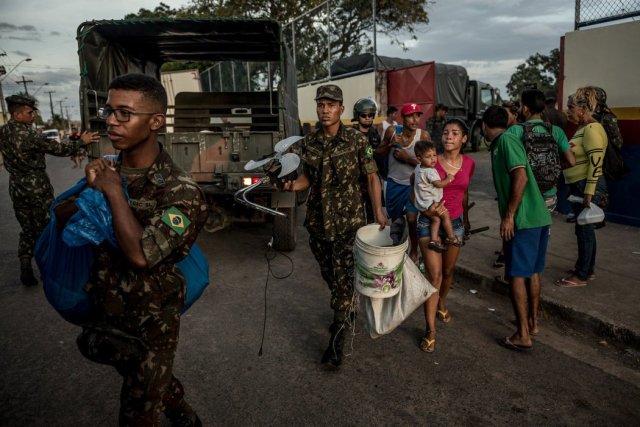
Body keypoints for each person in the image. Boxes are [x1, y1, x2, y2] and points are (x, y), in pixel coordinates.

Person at [53, 74, 208, 425]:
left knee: (137, 410)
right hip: (107, 307)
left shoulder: (180, 192)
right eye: (109, 110)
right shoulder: (109, 169)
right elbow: (62, 220)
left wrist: (112, 193)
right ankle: (176, 403)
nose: (110, 120)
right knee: (129, 370)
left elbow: (141, 255)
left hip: (152, 321)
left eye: (124, 113)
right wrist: (88, 193)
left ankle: (175, 407)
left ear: (155, 122)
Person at [283, 84, 386, 370]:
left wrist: (378, 210)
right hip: (317, 223)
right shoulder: (310, 143)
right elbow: (307, 179)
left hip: (348, 223)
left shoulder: (356, 141)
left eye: (331, 105)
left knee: (341, 280)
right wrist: (292, 186)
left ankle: (336, 343)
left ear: (341, 109)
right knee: (330, 275)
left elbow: (372, 177)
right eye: (321, 105)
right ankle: (346, 304)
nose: (325, 109)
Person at [0, 94, 99, 286]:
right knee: (46, 227)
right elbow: (60, 149)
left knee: (27, 227)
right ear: (17, 114)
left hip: (16, 186)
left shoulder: (3, 132)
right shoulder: (30, 134)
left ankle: (26, 264)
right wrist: (81, 142)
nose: (34, 115)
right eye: (30, 112)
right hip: (36, 185)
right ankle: (49, 269)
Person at [483, 105, 551, 351]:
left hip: (524, 220)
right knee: (532, 272)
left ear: (484, 125)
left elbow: (520, 177)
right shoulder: (504, 142)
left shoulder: (506, 142)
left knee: (516, 275)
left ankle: (523, 334)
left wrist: (509, 216)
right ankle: (531, 324)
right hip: (537, 217)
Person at [416, 118, 474, 353]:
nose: (449, 136)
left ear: (464, 139)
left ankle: (441, 302)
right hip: (428, 222)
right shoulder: (429, 161)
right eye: (446, 133)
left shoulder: (469, 163)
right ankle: (430, 330)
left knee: (449, 272)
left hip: (456, 223)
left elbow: (464, 192)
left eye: (455, 133)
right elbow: (414, 192)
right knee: (435, 276)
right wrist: (426, 211)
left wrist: (466, 221)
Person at [555, 88, 608, 288]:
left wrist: (589, 192)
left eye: (571, 107)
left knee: (584, 230)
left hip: (586, 185)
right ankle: (586, 268)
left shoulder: (592, 130)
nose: (568, 111)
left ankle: (582, 275)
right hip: (580, 185)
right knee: (584, 230)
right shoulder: (584, 128)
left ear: (583, 108)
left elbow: (596, 163)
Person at [375, 103, 428, 263]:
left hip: (413, 186)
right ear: (402, 118)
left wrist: (407, 159)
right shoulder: (391, 132)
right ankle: (397, 250)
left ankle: (414, 250)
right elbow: (375, 152)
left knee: (412, 219)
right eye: (411, 116)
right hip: (393, 184)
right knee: (397, 221)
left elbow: (431, 165)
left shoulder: (423, 136)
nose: (415, 119)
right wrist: (390, 144)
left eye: (417, 115)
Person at [507, 89, 575, 212]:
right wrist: (553, 167)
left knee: (526, 229)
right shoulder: (557, 131)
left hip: (525, 193)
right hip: (549, 193)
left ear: (525, 109)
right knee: (544, 227)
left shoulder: (514, 131)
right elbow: (571, 161)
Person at [411, 139, 460, 252]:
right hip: (432, 203)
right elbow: (439, 184)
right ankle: (451, 237)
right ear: (419, 159)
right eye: (428, 156)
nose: (433, 159)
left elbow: (412, 178)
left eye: (434, 155)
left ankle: (433, 240)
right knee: (445, 215)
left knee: (436, 220)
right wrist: (448, 179)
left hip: (422, 203)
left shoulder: (418, 168)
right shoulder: (430, 171)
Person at [353, 97, 383, 222]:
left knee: (373, 213)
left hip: (372, 177)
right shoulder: (351, 134)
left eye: (371, 115)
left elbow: (378, 153)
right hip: (356, 180)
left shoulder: (374, 133)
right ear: (357, 116)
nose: (367, 118)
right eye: (364, 115)